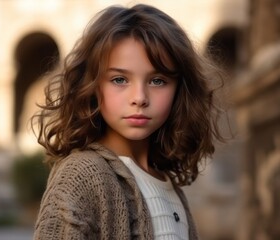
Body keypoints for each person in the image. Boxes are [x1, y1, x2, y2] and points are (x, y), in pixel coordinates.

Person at [33, 3, 225, 240]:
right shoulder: (81, 175)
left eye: (157, 81)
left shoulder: (167, 183)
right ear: (92, 86)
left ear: (180, 90)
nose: (139, 98)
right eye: (120, 79)